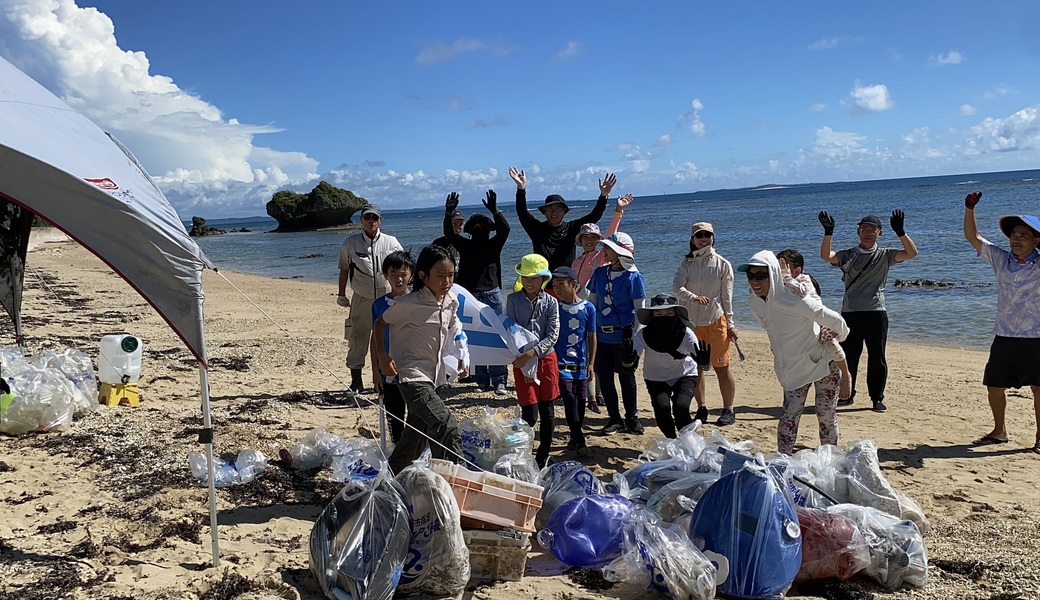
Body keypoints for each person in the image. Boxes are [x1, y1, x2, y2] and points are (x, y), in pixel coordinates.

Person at [738, 251, 850, 455]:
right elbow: (769, 326)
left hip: (823, 364)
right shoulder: (754, 301)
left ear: (773, 274)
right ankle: (784, 459)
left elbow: (833, 319)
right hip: (792, 369)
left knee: (826, 416)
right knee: (789, 415)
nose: (755, 281)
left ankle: (829, 458)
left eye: (761, 275)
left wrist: (837, 337)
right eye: (751, 276)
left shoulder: (793, 298)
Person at [375, 245, 467, 474]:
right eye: (440, 276)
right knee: (447, 426)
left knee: (414, 440)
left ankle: (389, 481)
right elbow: (380, 323)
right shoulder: (409, 304)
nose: (447, 281)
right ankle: (459, 481)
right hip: (411, 377)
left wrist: (461, 354)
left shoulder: (450, 300)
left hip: (434, 377)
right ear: (423, 276)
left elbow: (454, 325)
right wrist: (383, 358)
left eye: (451, 275)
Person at [962, 191, 1040, 454]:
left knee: (1039, 390)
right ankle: (999, 431)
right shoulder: (1001, 260)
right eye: (1014, 235)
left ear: (1036, 241)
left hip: (1036, 337)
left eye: (1024, 236)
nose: (1016, 240)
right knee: (994, 386)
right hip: (1005, 335)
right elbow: (973, 237)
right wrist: (970, 209)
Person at [818, 209, 918, 413]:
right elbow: (826, 256)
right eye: (864, 229)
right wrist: (828, 233)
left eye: (872, 230)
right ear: (858, 232)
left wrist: (901, 232)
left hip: (876, 312)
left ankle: (876, 398)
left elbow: (911, 253)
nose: (867, 233)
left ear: (879, 233)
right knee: (849, 356)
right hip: (850, 313)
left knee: (877, 357)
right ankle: (847, 395)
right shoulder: (848, 255)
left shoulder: (885, 255)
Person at [442, 190, 511, 395]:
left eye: (484, 226)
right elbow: (449, 233)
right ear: (471, 230)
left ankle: (499, 380)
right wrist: (448, 212)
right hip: (470, 296)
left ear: (489, 230)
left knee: (498, 337)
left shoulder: (494, 244)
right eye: (476, 226)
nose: (480, 229)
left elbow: (505, 229)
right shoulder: (465, 245)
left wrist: (495, 210)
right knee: (475, 339)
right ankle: (481, 380)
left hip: (492, 293)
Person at [671, 222, 738, 426]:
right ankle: (702, 408)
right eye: (699, 235)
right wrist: (693, 297)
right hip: (691, 325)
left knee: (721, 367)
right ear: (692, 239)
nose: (703, 238)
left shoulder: (722, 264)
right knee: (696, 368)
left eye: (707, 235)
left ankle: (729, 409)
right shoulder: (687, 264)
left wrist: (732, 324)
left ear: (713, 237)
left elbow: (727, 298)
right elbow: (676, 288)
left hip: (716, 322)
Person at [571, 194, 630, 415]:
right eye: (586, 238)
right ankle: (590, 395)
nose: (590, 241)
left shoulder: (600, 258)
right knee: (583, 351)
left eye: (594, 238)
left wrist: (618, 211)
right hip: (579, 309)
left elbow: (611, 235)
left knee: (594, 351)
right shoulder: (576, 261)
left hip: (594, 309)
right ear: (580, 240)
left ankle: (597, 395)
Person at [338, 204, 403, 393]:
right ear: (361, 221)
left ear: (380, 220)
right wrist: (341, 295)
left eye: (374, 218)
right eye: (367, 218)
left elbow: (403, 268)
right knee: (357, 338)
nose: (371, 221)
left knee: (388, 338)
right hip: (361, 298)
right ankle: (356, 381)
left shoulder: (391, 242)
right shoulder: (350, 243)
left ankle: (385, 378)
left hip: (387, 298)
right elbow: (344, 269)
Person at [587, 232, 647, 435]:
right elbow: (592, 305)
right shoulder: (599, 274)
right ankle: (614, 418)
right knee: (604, 378)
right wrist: (589, 331)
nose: (603, 251)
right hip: (602, 336)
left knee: (626, 378)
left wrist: (635, 340)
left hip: (624, 337)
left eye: (608, 248)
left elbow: (640, 311)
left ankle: (632, 418)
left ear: (620, 252)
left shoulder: (634, 277)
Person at [775, 248, 853, 401]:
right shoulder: (781, 285)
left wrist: (785, 277)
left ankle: (846, 373)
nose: (780, 272)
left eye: (784, 267)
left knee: (831, 343)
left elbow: (802, 293)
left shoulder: (804, 280)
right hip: (802, 326)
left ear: (797, 270)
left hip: (820, 321)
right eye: (778, 268)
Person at [506, 254, 560, 468]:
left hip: (546, 360)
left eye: (534, 277)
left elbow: (553, 334)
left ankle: (543, 455)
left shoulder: (552, 301)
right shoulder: (512, 299)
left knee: (547, 410)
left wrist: (533, 353)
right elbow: (510, 330)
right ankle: (523, 453)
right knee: (529, 412)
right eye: (525, 276)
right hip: (521, 360)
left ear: (543, 279)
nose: (529, 281)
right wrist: (524, 358)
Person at [510, 165, 617, 272]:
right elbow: (522, 212)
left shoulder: (572, 228)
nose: (554, 212)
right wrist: (521, 188)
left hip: (567, 283)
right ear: (545, 212)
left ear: (564, 211)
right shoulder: (537, 229)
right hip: (543, 283)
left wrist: (603, 196)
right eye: (550, 209)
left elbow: (594, 216)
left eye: (558, 208)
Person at [633, 294, 711, 438]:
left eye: (669, 313)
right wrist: (628, 361)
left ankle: (687, 440)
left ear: (676, 314)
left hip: (684, 374)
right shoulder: (644, 334)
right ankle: (672, 440)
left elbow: (700, 360)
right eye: (659, 313)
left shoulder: (686, 332)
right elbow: (632, 357)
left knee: (681, 407)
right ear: (652, 315)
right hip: (655, 377)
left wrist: (704, 363)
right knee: (662, 408)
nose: (664, 316)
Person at [369, 250, 415, 444]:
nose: (399, 279)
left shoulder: (419, 301)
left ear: (411, 275)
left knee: (416, 415)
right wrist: (374, 370)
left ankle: (417, 452)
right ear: (386, 276)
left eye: (403, 274)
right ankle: (398, 450)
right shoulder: (379, 304)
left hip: (413, 366)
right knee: (394, 415)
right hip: (388, 369)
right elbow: (375, 338)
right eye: (393, 274)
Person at [551, 266, 597, 456]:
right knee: (569, 400)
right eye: (554, 285)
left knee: (580, 402)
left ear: (574, 285)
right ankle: (580, 440)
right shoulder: (555, 307)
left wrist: (591, 363)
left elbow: (592, 336)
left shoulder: (588, 308)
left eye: (561, 284)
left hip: (580, 365)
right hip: (562, 365)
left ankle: (574, 437)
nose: (557, 289)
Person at [432, 207, 464, 275]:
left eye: (460, 224)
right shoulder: (439, 243)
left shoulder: (464, 242)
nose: (458, 227)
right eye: (454, 224)